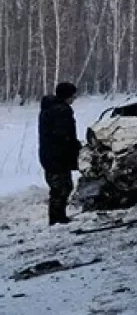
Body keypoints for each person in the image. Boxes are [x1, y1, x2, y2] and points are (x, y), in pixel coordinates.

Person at [38, 82, 83, 225]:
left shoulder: (50, 108)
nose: (74, 98)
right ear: (67, 95)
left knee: (61, 186)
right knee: (61, 187)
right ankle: (57, 218)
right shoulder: (61, 111)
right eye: (72, 95)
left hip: (50, 155)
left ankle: (58, 216)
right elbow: (64, 135)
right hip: (57, 156)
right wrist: (75, 148)